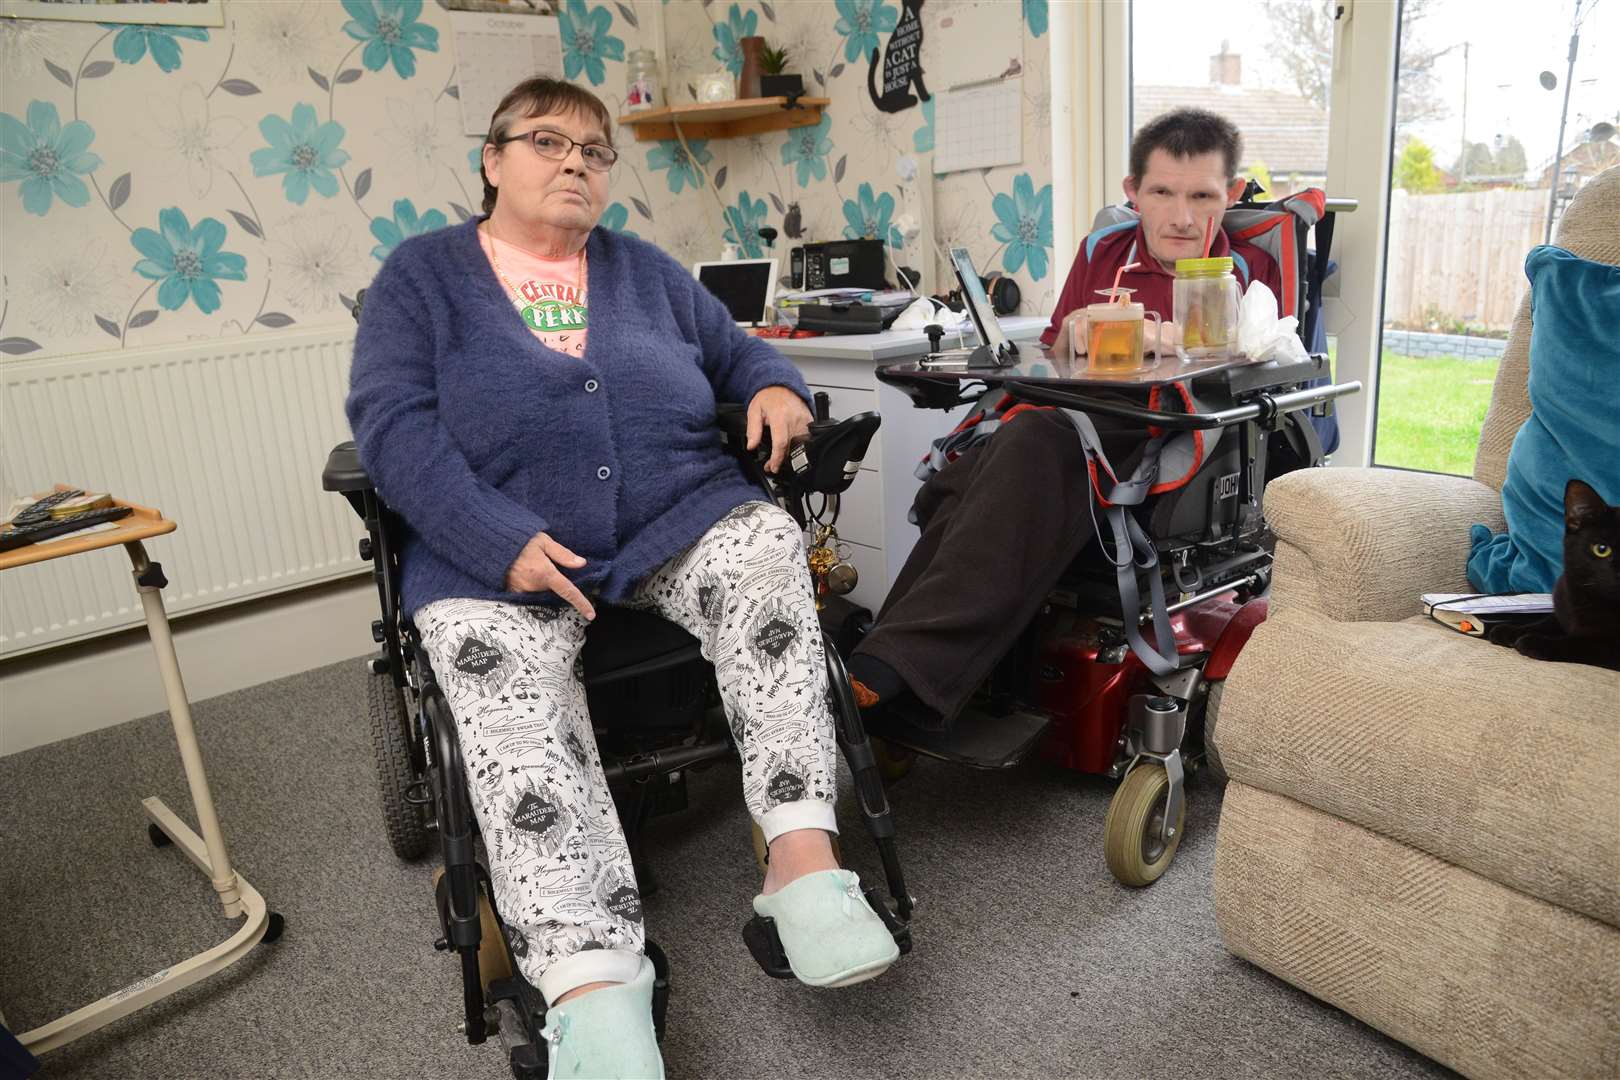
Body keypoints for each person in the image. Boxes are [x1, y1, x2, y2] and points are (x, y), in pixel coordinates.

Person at [347, 77, 897, 1080]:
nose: (575, 163)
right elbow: (390, 426)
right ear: (492, 158)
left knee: (769, 546)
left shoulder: (642, 269)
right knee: (503, 687)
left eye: (595, 152)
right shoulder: (421, 279)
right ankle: (592, 979)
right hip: (498, 553)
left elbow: (739, 353)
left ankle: (801, 863)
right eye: (548, 142)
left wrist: (773, 388)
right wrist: (487, 532)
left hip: (670, 520)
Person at [846, 108, 1282, 723]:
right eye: (1162, 192)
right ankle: (892, 683)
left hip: (1155, 430)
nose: (1183, 217)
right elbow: (1053, 351)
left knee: (1030, 440)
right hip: (1066, 412)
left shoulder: (1238, 271)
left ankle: (891, 672)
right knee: (962, 477)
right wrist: (1073, 332)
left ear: (1231, 195)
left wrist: (1175, 338)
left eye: (1203, 196)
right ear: (1133, 192)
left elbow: (1257, 354)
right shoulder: (1102, 250)